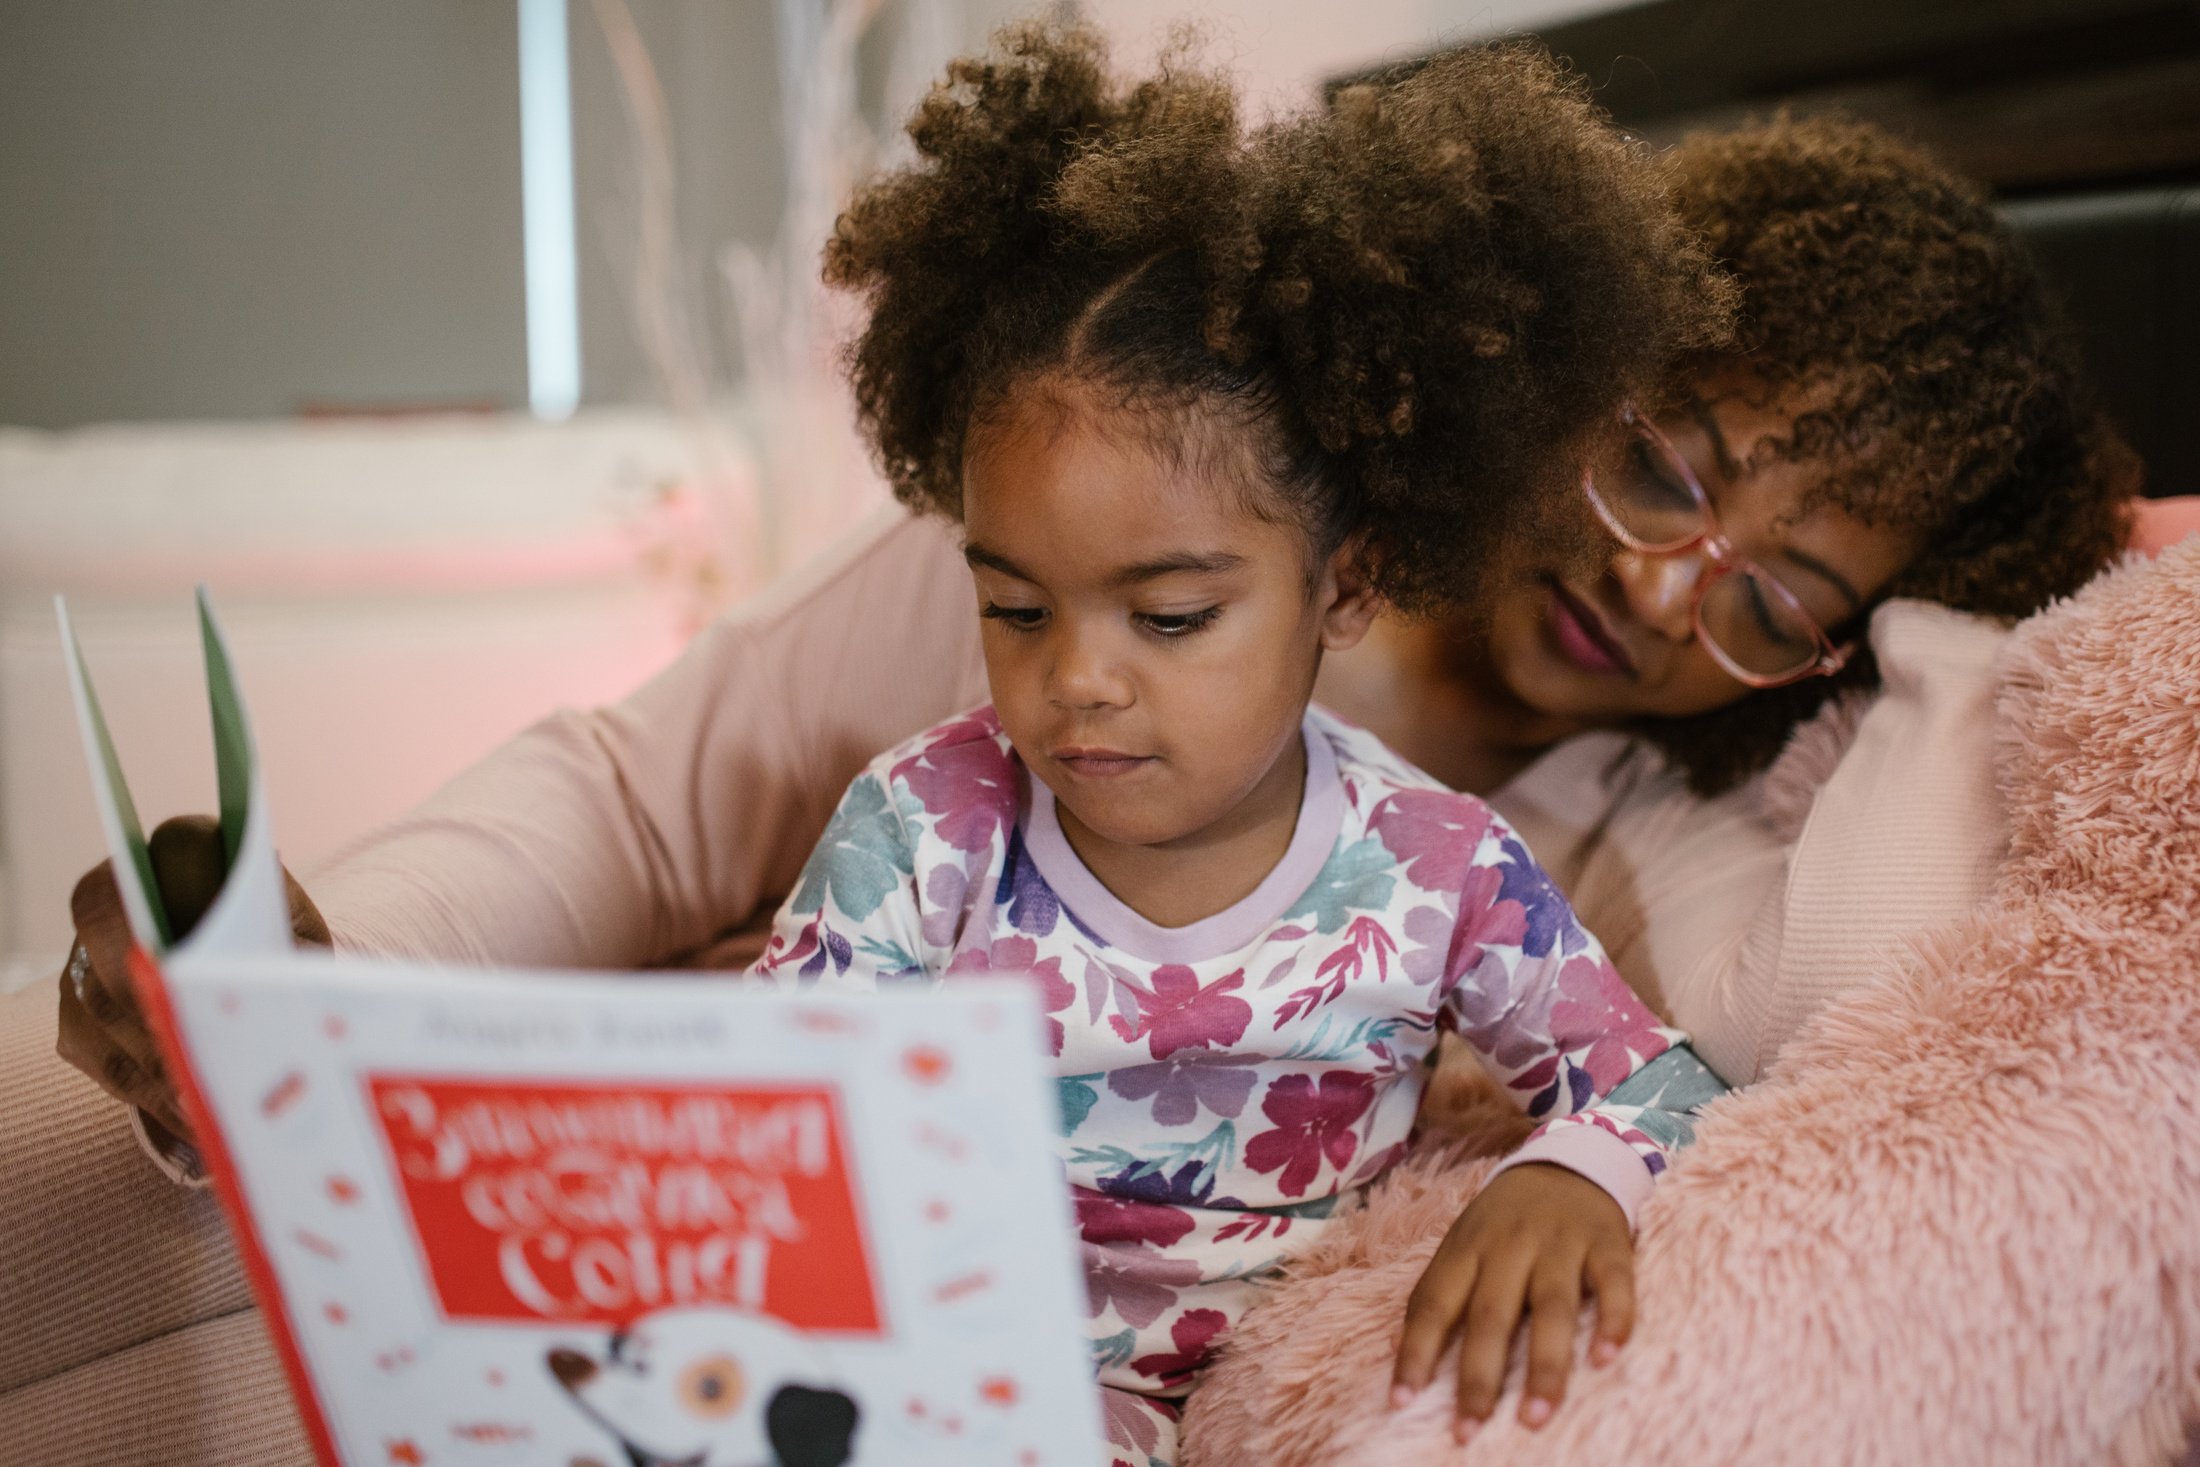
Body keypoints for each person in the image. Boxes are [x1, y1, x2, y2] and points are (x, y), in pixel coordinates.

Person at [46, 76, 2142, 1467]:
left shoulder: (1603, 839)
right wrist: (315, 973)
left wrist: (1953, 638)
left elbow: (1799, 1016)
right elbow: (632, 797)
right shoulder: (1122, 518)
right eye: (1666, 454)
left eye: (1778, 592)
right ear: (1575, 342)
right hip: (679, 1149)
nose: (1662, 575)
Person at [737, 26, 1741, 1459]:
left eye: (1172, 617)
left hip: (1286, 1377)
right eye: (1015, 606)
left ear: (1344, 585)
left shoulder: (1437, 866)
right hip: (952, 1360)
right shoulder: (924, 825)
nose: (1076, 680)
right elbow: (759, 1114)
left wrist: (1575, 1173)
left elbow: (1658, 1083)